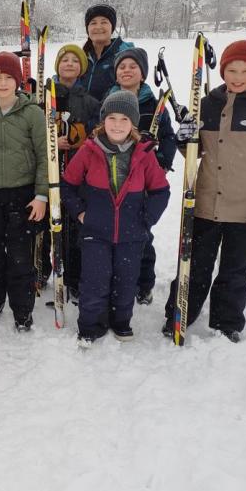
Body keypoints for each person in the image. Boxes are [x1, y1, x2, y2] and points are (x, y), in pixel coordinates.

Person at [163, 40, 246, 343]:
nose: (237, 76)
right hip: (205, 204)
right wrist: (184, 139)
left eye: (245, 70)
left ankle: (227, 322)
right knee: (193, 267)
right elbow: (195, 153)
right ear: (222, 70)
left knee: (235, 272)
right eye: (232, 69)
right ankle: (179, 314)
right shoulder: (205, 105)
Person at [61, 91, 170, 346]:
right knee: (95, 282)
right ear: (103, 121)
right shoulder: (89, 150)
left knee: (126, 280)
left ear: (133, 123)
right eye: (112, 118)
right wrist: (80, 212)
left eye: (124, 119)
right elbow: (67, 185)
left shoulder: (144, 153)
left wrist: (147, 219)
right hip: (95, 232)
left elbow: (160, 190)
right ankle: (90, 326)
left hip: (131, 234)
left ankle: (121, 322)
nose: (117, 124)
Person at [0, 52, 48, 331]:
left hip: (23, 195)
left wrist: (41, 196)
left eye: (8, 78)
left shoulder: (33, 113)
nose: (2, 83)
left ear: (18, 81)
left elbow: (44, 157)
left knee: (19, 256)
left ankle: (23, 310)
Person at [108, 47, 177, 304]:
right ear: (115, 74)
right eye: (122, 67)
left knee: (141, 232)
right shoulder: (109, 101)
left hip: (143, 180)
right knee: (113, 232)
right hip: (114, 177)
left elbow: (168, 136)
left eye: (132, 67)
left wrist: (161, 162)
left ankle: (143, 282)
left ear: (142, 73)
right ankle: (117, 279)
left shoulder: (154, 105)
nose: (127, 71)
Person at [49, 43, 101, 300]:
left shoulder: (90, 101)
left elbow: (97, 134)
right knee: (51, 224)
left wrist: (82, 142)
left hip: (79, 175)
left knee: (75, 226)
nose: (69, 64)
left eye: (74, 60)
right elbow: (36, 131)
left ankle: (74, 278)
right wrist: (52, 141)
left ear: (81, 68)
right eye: (64, 60)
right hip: (50, 169)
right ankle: (49, 270)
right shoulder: (46, 97)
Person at [81, 5, 134, 101]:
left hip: (113, 114)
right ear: (87, 28)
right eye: (93, 23)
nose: (98, 27)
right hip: (81, 115)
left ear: (112, 27)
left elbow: (137, 89)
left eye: (104, 22)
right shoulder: (81, 57)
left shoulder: (126, 56)